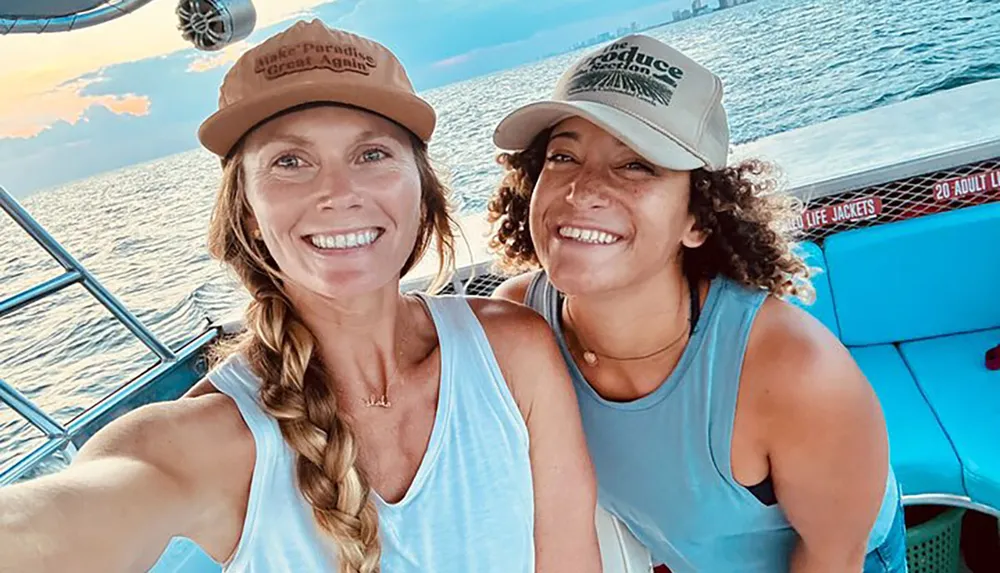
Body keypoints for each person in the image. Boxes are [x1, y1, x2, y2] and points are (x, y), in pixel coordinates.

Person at [0, 20, 602, 573]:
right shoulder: (206, 440)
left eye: (371, 154)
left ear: (420, 186)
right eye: (290, 161)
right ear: (250, 212)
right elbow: (65, 519)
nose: (337, 193)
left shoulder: (514, 351)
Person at [488, 34, 907, 572]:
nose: (580, 190)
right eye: (563, 156)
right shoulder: (522, 324)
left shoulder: (793, 373)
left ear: (698, 218)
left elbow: (832, 557)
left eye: (637, 164)